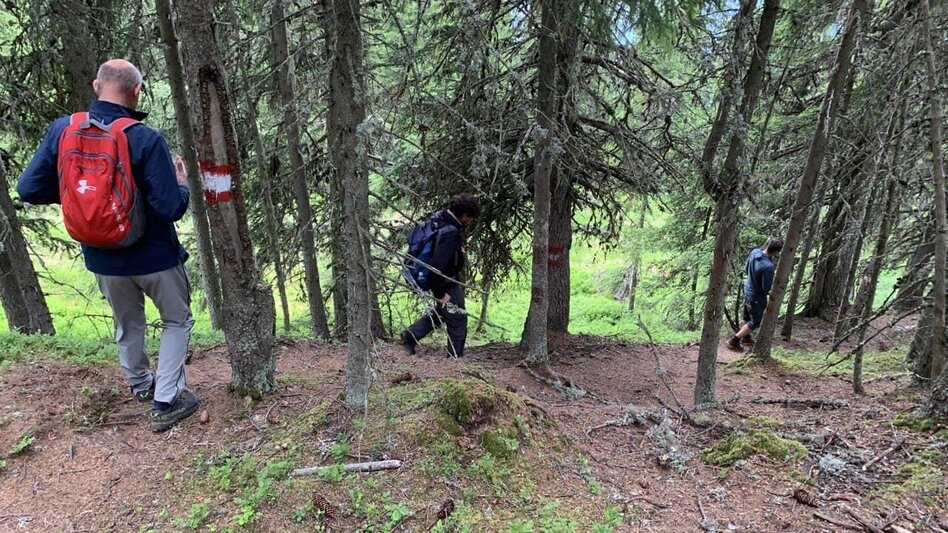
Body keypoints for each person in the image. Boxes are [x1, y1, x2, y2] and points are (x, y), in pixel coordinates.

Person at [17, 59, 198, 431]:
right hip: (155, 257)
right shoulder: (145, 138)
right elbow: (171, 207)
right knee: (176, 321)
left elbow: (28, 189)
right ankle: (167, 400)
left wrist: (81, 200)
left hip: (102, 258)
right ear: (137, 92)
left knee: (127, 324)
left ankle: (141, 386)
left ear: (97, 86)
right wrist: (182, 182)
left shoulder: (62, 130)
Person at [400, 193, 481, 358]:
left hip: (443, 279)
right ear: (464, 215)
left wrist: (457, 251)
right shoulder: (450, 233)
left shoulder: (440, 218)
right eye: (471, 218)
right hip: (444, 282)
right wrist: (441, 293)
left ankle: (410, 335)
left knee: (442, 312)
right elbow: (436, 268)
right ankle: (454, 359)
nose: (471, 222)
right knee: (457, 317)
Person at [727, 238, 783, 351]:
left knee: (747, 316)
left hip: (747, 288)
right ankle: (734, 340)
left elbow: (747, 269)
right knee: (755, 321)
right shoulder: (768, 267)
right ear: (777, 252)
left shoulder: (755, 252)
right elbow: (766, 287)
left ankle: (746, 337)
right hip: (756, 296)